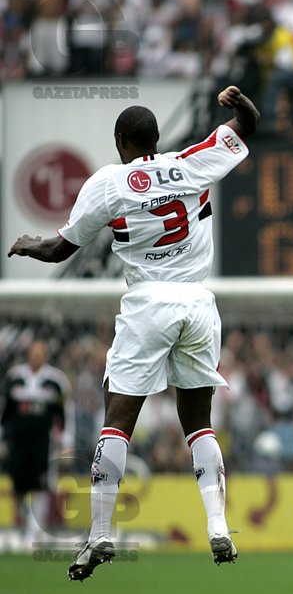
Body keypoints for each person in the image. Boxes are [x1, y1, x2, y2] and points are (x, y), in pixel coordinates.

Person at [7, 85, 259, 580]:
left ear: (120, 139)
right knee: (198, 421)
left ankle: (100, 530)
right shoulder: (192, 163)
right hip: (198, 305)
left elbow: (61, 250)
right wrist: (241, 105)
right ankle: (217, 525)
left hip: (147, 303)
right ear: (158, 138)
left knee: (117, 416)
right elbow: (246, 126)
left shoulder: (109, 182)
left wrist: (30, 244)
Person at [0, 340, 72, 548]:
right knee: (18, 485)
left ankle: (34, 529)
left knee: (41, 484)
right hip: (17, 440)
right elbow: (5, 410)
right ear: (27, 354)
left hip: (43, 441)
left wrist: (66, 440)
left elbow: (65, 411)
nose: (37, 357)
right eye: (33, 353)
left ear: (46, 355)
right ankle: (24, 518)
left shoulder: (56, 380)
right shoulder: (14, 377)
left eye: (41, 353)